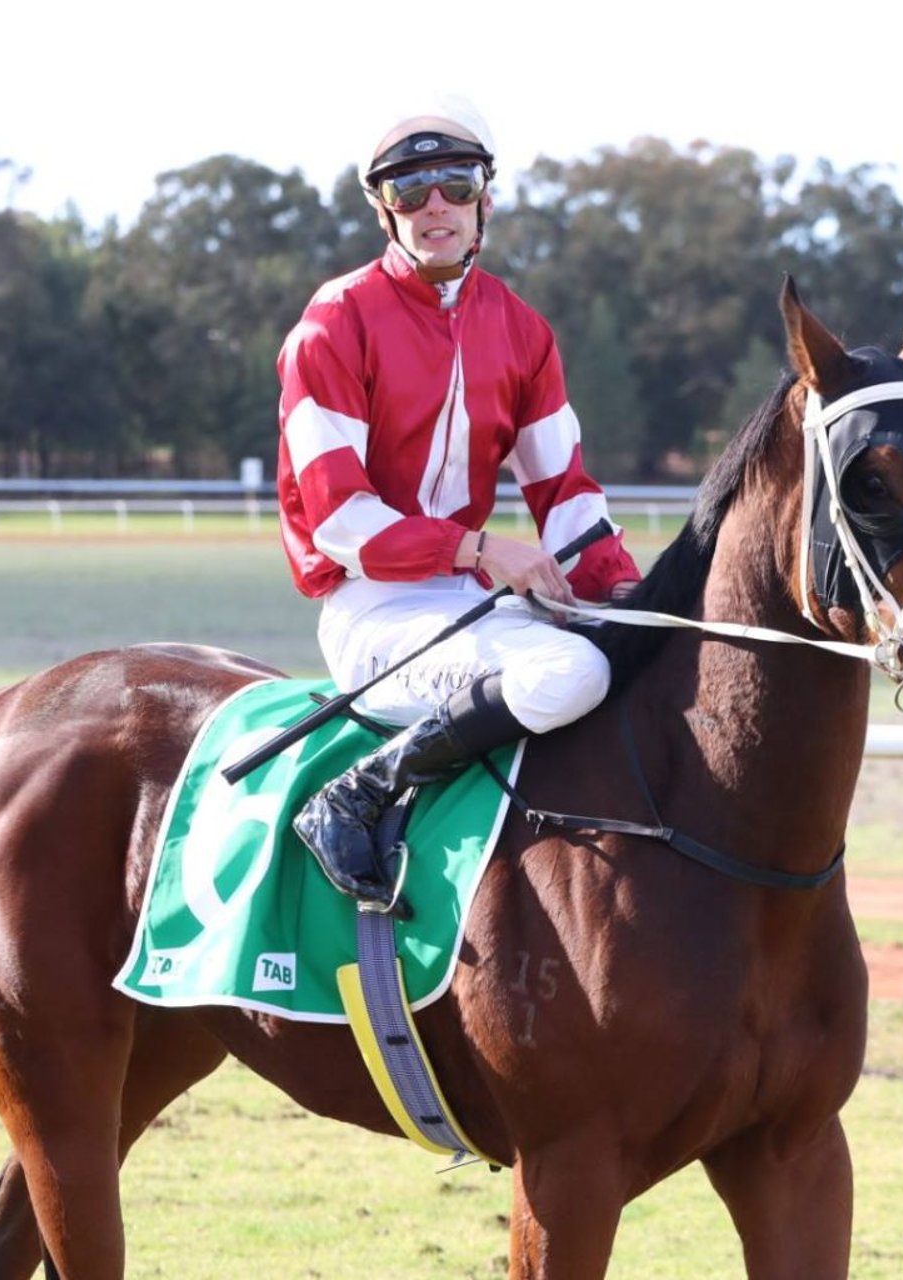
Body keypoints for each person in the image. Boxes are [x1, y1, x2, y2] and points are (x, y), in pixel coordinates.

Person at [275, 94, 641, 913]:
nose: (434, 205)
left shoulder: (521, 329)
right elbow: (339, 524)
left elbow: (565, 493)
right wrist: (479, 551)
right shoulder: (332, 326)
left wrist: (623, 591)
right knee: (572, 669)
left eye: (454, 182)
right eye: (409, 190)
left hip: (473, 609)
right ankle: (356, 795)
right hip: (374, 615)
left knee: (635, 653)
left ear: (486, 197)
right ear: (383, 208)